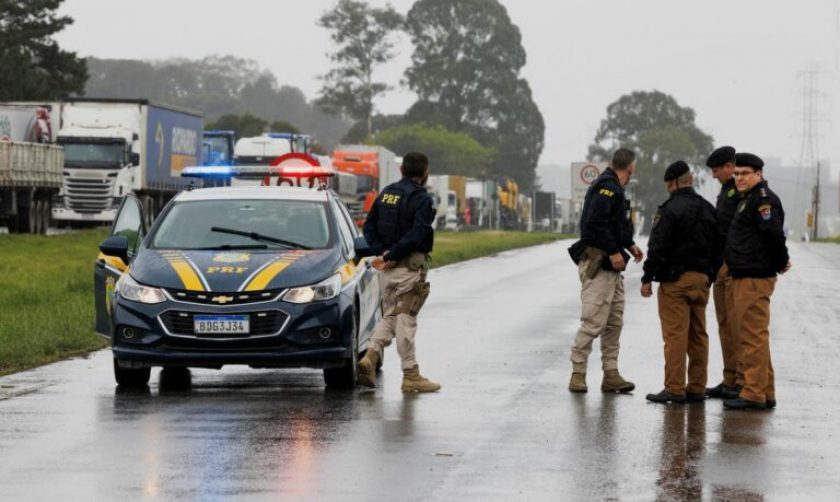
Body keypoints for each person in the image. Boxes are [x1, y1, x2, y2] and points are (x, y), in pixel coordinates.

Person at [357, 152, 440, 393]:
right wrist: (392, 255)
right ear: (424, 172)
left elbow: (369, 225)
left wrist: (381, 253)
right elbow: (417, 234)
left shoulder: (387, 193)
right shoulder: (422, 200)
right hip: (407, 270)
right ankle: (411, 374)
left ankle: (370, 356)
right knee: (406, 320)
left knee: (390, 317)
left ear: (402, 169)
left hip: (386, 271)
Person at [640, 161, 720, 404]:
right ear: (690, 179)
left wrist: (647, 277)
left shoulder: (669, 209)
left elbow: (658, 247)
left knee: (675, 335)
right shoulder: (708, 209)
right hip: (702, 280)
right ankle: (696, 387)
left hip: (675, 282)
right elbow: (719, 246)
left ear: (671, 183)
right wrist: (710, 275)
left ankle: (675, 388)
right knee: (699, 335)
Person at [567, 148, 644, 393]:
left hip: (612, 267)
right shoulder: (607, 187)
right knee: (593, 321)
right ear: (631, 168)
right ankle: (577, 373)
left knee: (613, 323)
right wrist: (613, 250)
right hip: (599, 263)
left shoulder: (615, 188)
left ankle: (611, 374)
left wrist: (629, 245)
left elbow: (614, 225)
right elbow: (595, 223)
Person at [723, 153, 791, 410]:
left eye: (745, 173)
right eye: (736, 174)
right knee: (755, 337)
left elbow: (773, 234)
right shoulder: (749, 199)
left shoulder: (762, 200)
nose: (739, 178)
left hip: (754, 277)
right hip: (745, 274)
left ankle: (753, 392)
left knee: (752, 337)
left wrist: (781, 261)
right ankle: (765, 390)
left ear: (758, 174)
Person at [704, 146, 744, 400]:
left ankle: (742, 381)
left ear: (729, 166)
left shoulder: (737, 191)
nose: (714, 174)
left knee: (737, 326)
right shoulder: (725, 191)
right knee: (725, 325)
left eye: (717, 169)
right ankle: (730, 378)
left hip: (732, 264)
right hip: (721, 265)